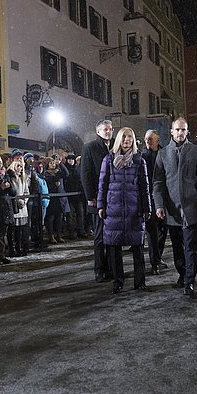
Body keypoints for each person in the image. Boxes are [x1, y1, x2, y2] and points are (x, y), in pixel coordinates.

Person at [153, 118, 197, 297]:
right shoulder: (162, 154)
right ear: (171, 131)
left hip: (191, 207)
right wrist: (159, 205)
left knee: (191, 247)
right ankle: (182, 274)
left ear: (187, 132)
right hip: (172, 210)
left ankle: (189, 281)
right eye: (177, 130)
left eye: (183, 130)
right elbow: (158, 182)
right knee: (177, 247)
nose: (180, 133)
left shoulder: (196, 152)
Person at [97, 127, 152, 294]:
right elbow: (102, 184)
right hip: (113, 209)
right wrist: (101, 205)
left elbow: (145, 186)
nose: (127, 139)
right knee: (114, 249)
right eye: (124, 137)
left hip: (134, 209)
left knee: (137, 249)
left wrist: (146, 207)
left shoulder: (139, 161)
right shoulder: (108, 160)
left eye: (130, 136)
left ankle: (140, 282)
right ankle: (118, 282)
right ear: (119, 139)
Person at [81, 120, 114, 282]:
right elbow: (85, 174)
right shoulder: (90, 147)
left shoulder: (116, 146)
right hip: (97, 198)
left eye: (110, 129)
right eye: (105, 129)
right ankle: (99, 270)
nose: (108, 132)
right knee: (100, 236)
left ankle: (111, 268)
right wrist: (90, 197)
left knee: (112, 236)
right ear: (98, 131)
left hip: (113, 198)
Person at [141, 129, 168, 274]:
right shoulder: (142, 156)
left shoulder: (165, 154)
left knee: (163, 230)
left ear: (157, 141)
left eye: (150, 139)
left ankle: (157, 257)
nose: (147, 141)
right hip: (150, 198)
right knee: (152, 231)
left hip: (164, 197)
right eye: (146, 139)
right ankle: (155, 262)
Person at [7, 159, 31, 256]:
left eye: (21, 166)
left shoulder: (23, 178)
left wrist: (24, 201)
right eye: (18, 166)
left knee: (20, 230)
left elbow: (26, 192)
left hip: (22, 207)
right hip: (13, 206)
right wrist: (17, 201)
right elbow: (10, 192)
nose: (20, 168)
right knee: (12, 230)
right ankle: (12, 249)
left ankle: (19, 247)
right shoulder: (10, 177)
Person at [43, 157, 69, 244]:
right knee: (50, 219)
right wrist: (56, 178)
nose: (53, 165)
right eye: (51, 163)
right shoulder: (46, 173)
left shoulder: (59, 172)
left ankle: (59, 235)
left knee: (59, 218)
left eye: (54, 163)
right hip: (51, 199)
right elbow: (50, 179)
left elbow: (66, 173)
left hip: (59, 199)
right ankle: (51, 236)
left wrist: (60, 163)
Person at [63, 153, 87, 240]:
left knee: (80, 214)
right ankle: (72, 232)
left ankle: (81, 231)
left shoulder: (78, 169)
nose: (71, 161)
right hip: (69, 196)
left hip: (78, 196)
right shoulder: (65, 169)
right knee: (70, 215)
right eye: (69, 160)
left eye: (72, 160)